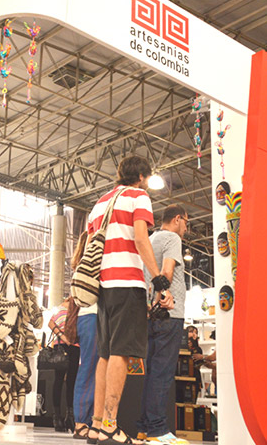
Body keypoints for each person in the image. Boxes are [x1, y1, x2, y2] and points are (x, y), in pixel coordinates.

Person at [88, 155, 162, 445]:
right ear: (142, 177)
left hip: (102, 286)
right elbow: (141, 239)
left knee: (105, 353)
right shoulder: (138, 196)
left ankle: (96, 426)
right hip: (127, 282)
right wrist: (158, 279)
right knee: (121, 352)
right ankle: (110, 425)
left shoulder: (100, 202)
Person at [136, 205, 190, 445]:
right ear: (177, 219)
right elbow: (166, 272)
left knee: (150, 373)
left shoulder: (150, 239)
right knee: (162, 373)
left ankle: (145, 428)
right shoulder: (172, 238)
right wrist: (164, 292)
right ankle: (158, 430)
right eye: (186, 223)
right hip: (170, 313)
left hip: (149, 314)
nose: (186, 229)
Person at [69, 230, 98, 439]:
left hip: (97, 317)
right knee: (89, 368)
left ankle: (92, 421)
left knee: (98, 369)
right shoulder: (85, 265)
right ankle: (81, 422)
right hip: (91, 317)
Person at [48, 296, 80, 433]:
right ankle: (57, 416)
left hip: (75, 346)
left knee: (71, 381)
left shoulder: (79, 308)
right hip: (62, 345)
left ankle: (69, 416)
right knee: (59, 380)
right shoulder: (63, 307)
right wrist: (63, 336)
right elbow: (50, 323)